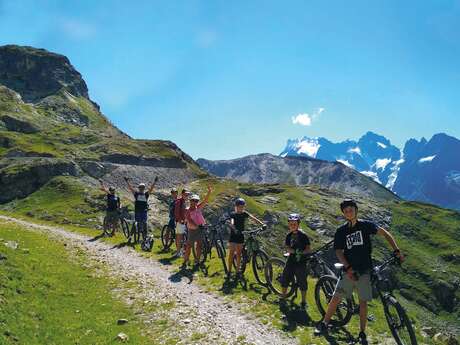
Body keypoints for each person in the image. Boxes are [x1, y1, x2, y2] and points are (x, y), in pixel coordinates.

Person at [314, 199, 404, 345]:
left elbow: (385, 233)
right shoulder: (341, 230)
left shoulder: (365, 225)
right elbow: (338, 251)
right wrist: (348, 268)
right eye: (346, 211)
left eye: (351, 209)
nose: (349, 212)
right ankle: (324, 323)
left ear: (356, 210)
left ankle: (362, 333)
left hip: (365, 270)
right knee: (336, 298)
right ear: (344, 214)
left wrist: (396, 250)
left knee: (363, 303)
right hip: (349, 271)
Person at [226, 198, 265, 278]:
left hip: (241, 235)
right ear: (236, 206)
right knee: (231, 254)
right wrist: (234, 229)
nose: (242, 208)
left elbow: (253, 218)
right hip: (233, 236)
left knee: (239, 255)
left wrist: (262, 224)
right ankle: (229, 271)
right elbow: (232, 222)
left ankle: (237, 272)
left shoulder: (244, 214)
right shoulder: (233, 214)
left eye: (243, 206)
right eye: (240, 206)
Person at [279, 213, 311, 308]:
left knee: (302, 281)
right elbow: (287, 247)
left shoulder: (303, 235)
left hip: (301, 261)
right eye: (291, 224)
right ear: (289, 224)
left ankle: (303, 302)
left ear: (298, 224)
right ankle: (283, 297)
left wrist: (300, 253)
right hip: (291, 260)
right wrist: (293, 251)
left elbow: (308, 249)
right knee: (285, 277)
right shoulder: (288, 235)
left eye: (294, 224)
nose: (292, 226)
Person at [182, 185, 212, 268]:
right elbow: (189, 219)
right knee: (189, 246)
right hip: (192, 230)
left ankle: (197, 261)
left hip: (200, 229)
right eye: (193, 200)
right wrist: (196, 226)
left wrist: (209, 192)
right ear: (190, 201)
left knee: (199, 246)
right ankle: (185, 261)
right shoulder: (187, 210)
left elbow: (205, 201)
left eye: (196, 201)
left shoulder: (198, 207)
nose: (195, 202)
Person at [174, 188, 191, 257]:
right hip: (180, 222)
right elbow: (176, 212)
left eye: (187, 195)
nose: (186, 196)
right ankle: (178, 252)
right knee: (179, 237)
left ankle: (182, 251)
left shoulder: (185, 201)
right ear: (182, 194)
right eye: (185, 194)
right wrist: (180, 220)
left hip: (185, 222)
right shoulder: (179, 201)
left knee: (184, 237)